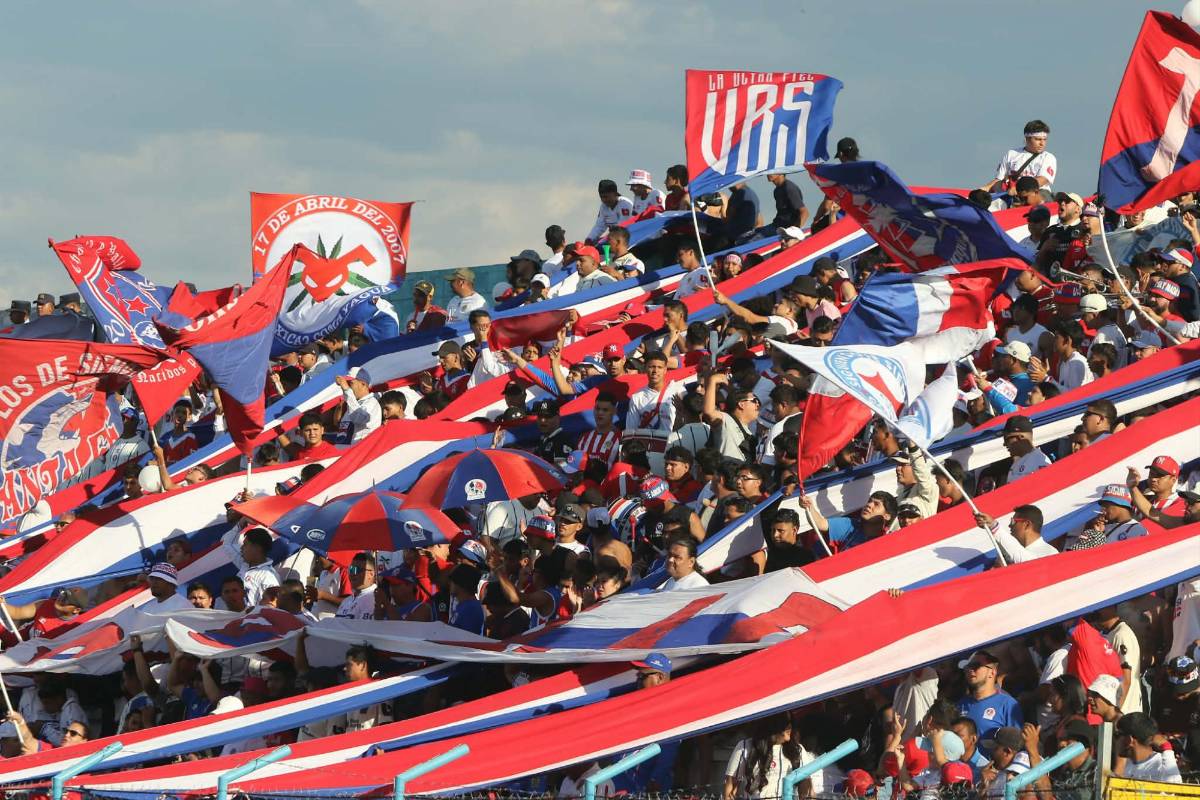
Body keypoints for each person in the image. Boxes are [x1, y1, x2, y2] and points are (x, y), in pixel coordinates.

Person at [957, 650, 1022, 751]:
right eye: (967, 667)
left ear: (992, 672)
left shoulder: (1008, 704)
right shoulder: (960, 704)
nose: (970, 670)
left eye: (976, 666)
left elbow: (1016, 744)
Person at [723, 713, 800, 800]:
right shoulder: (744, 746)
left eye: (791, 722)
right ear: (772, 724)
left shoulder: (797, 750)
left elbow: (806, 786)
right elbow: (730, 788)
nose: (790, 726)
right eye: (786, 722)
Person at [800, 491, 897, 552]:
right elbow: (820, 524)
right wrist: (809, 507)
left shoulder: (891, 540)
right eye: (869, 501)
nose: (869, 505)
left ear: (887, 516)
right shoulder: (851, 525)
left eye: (876, 504)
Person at [1065, 484, 1148, 551]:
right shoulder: (1104, 526)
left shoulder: (1136, 529)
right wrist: (1095, 532)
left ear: (1119, 503)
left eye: (1106, 505)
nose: (1102, 510)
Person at [1094, 605, 1143, 714]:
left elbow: (1125, 679)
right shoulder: (1108, 633)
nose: (1096, 611)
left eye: (1100, 607)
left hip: (1126, 711)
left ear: (1111, 607)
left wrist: (1115, 713)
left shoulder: (1121, 635)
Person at [985, 120, 1056, 192]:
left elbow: (1042, 180)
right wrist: (983, 189)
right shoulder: (1011, 154)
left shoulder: (1048, 157)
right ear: (1027, 139)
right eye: (1038, 139)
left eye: (1044, 139)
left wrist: (1018, 189)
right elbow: (999, 179)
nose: (1042, 143)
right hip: (1011, 193)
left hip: (1038, 193)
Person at [625, 350, 684, 434]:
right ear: (645, 368)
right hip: (647, 441)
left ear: (665, 370)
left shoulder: (678, 390)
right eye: (651, 367)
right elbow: (631, 431)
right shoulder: (637, 398)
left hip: (673, 441)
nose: (655, 371)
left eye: (659, 367)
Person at [975, 505, 1056, 564]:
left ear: (1027, 524)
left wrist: (994, 526)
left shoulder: (1050, 553)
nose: (1009, 525)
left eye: (1013, 521)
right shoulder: (1009, 552)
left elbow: (1029, 563)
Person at [221, 526, 280, 607]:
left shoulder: (269, 577)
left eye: (245, 544)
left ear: (257, 548)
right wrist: (240, 524)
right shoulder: (244, 563)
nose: (241, 548)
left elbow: (270, 608)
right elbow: (228, 544)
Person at [1117, 712, 1183, 782]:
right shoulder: (1126, 764)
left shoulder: (1162, 763)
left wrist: (1167, 748)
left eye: (1117, 735)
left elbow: (1174, 785)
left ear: (1129, 740)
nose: (1115, 740)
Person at [335, 367, 381, 444]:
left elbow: (360, 418)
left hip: (361, 450)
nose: (348, 386)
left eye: (350, 383)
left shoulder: (372, 403)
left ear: (363, 384)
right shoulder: (352, 404)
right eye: (347, 384)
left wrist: (346, 390)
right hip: (344, 450)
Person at [1000, 416, 1051, 485]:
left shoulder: (1040, 462)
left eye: (1007, 439)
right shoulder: (1018, 462)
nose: (1004, 444)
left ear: (1021, 437)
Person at [335, 553, 377, 619]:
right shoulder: (346, 601)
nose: (353, 574)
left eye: (358, 570)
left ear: (371, 574)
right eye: (351, 569)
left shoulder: (375, 599)